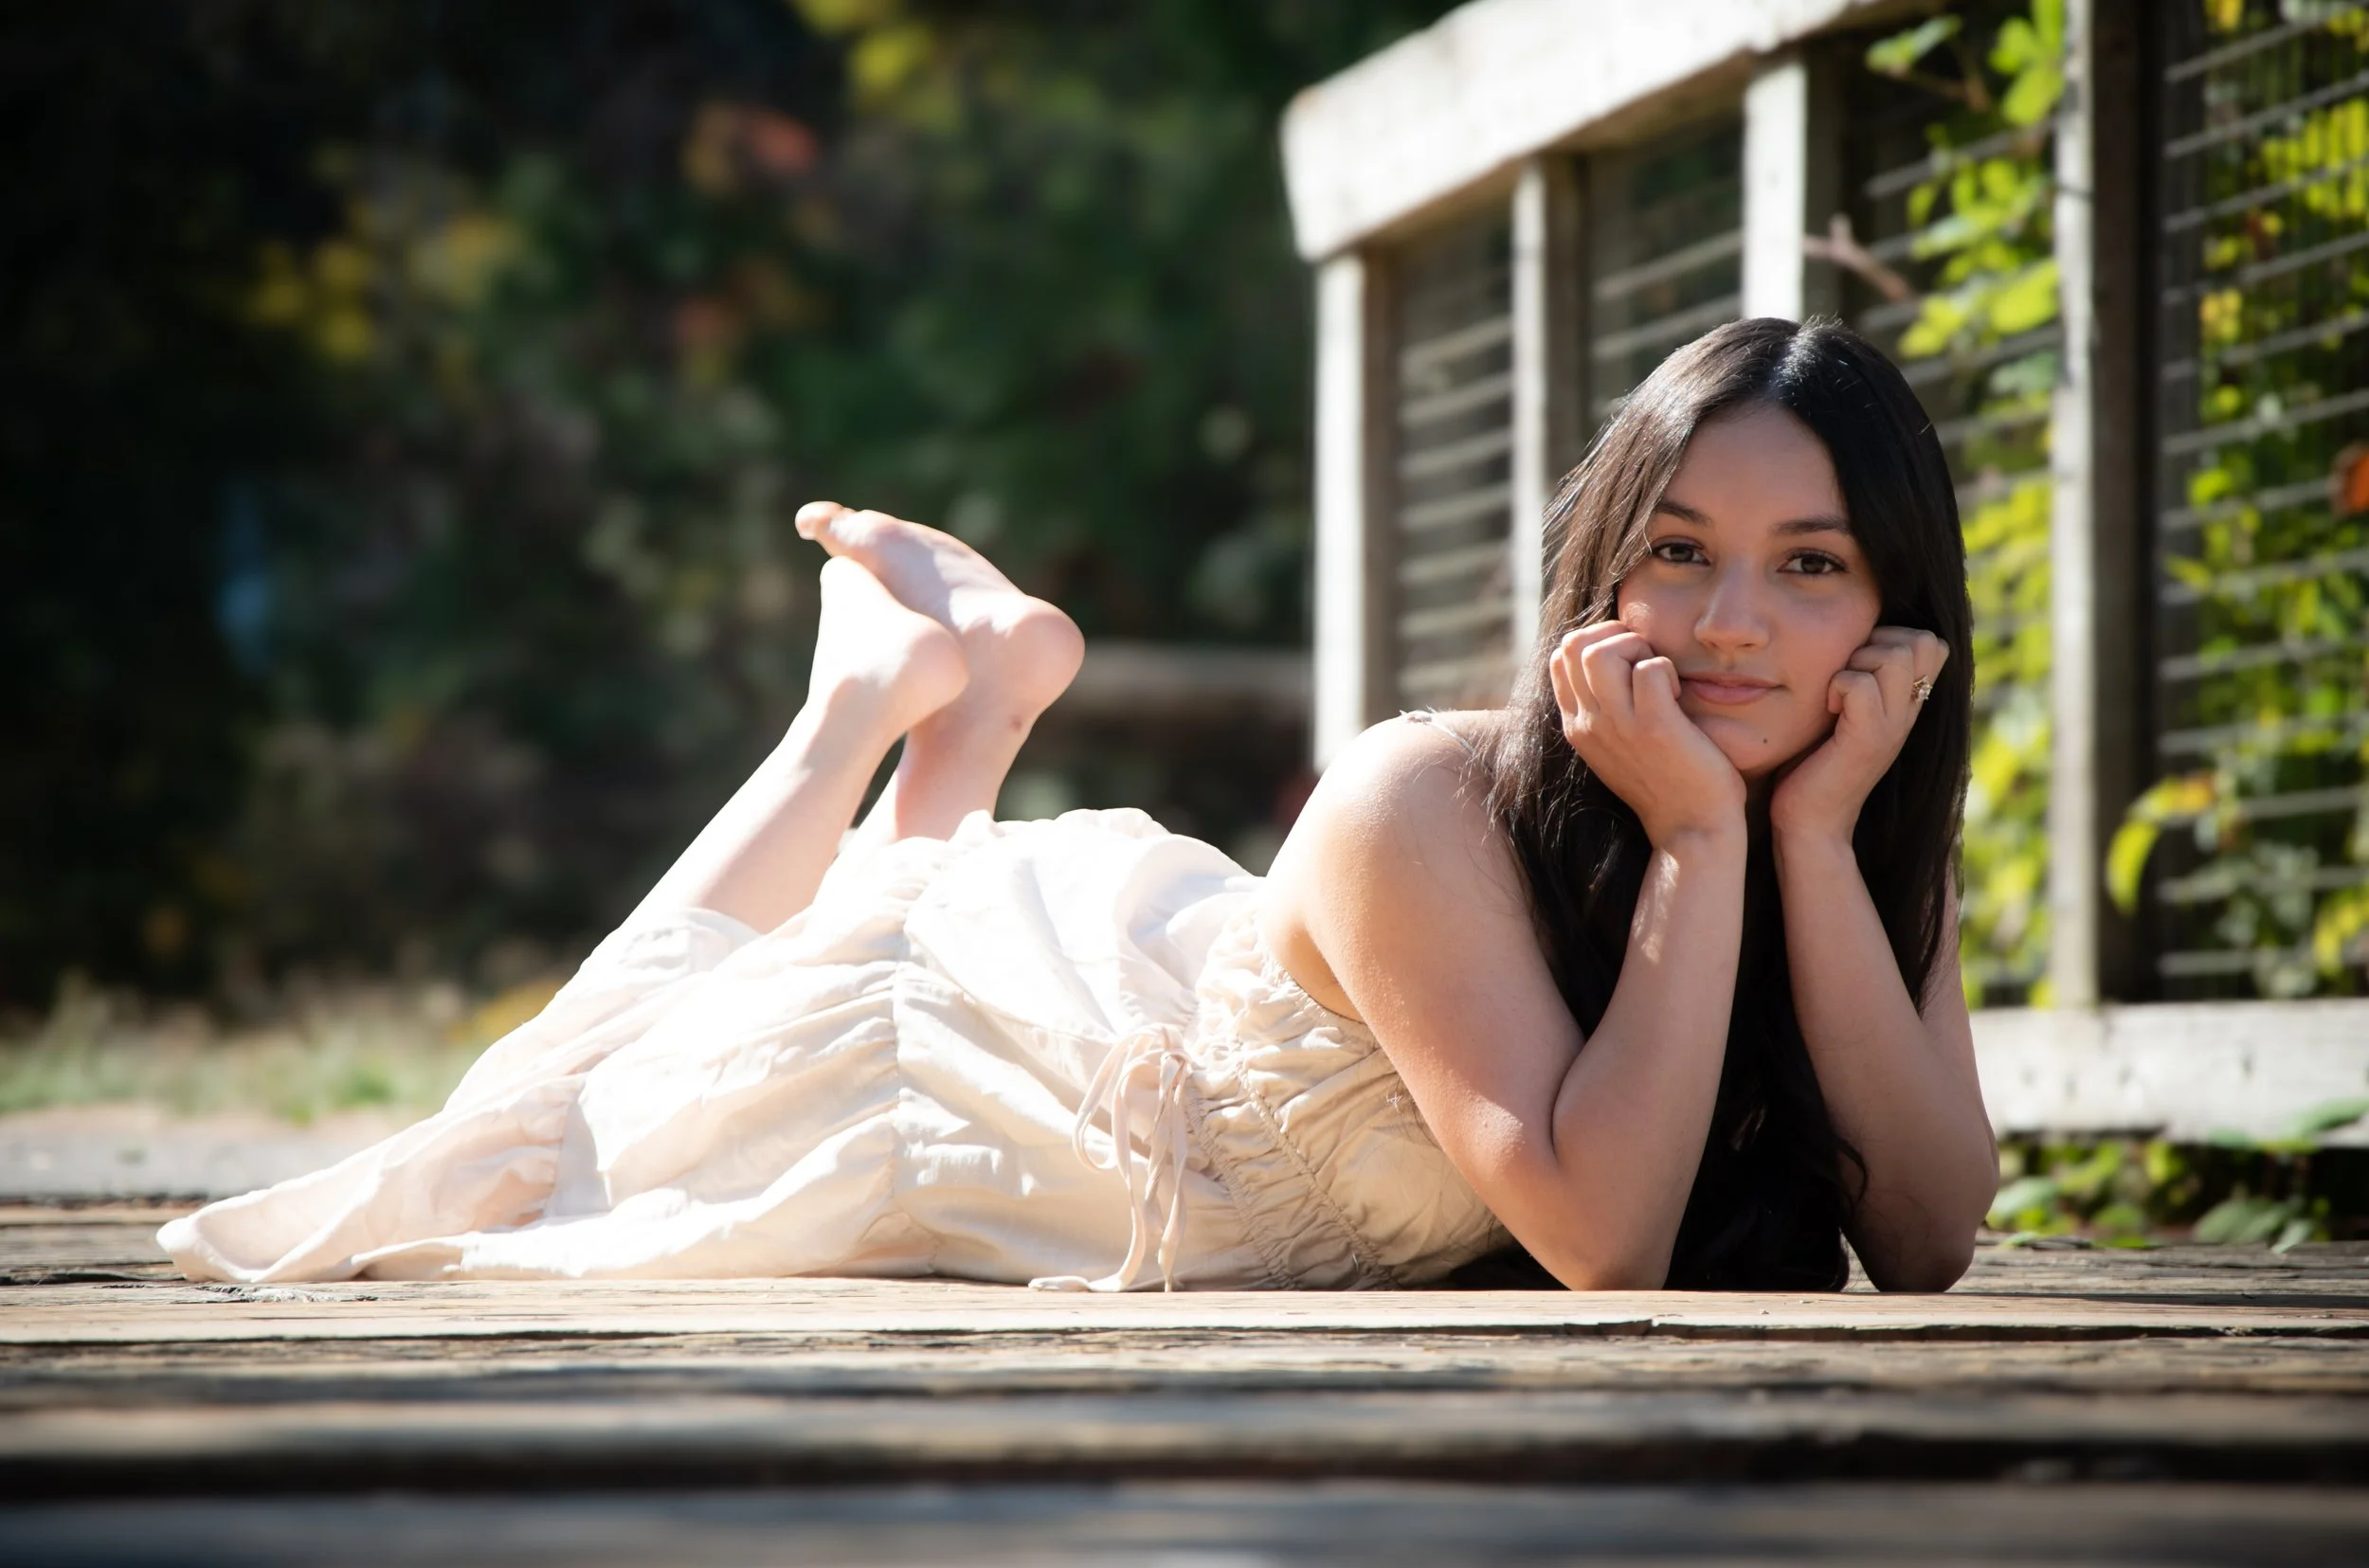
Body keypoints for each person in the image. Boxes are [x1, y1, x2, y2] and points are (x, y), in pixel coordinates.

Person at [160, 317, 1996, 1294]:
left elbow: (1920, 1240)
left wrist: (1805, 844)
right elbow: (1606, 1242)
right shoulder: (1423, 795)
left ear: (1892, 607)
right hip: (985, 1059)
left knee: (572, 1102)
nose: (1729, 623)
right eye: (1676, 551)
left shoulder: (1828, 822)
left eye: (1809, 565)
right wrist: (1697, 837)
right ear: (1598, 572)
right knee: (524, 1129)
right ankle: (861, 705)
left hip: (1140, 1013)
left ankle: (958, 710)